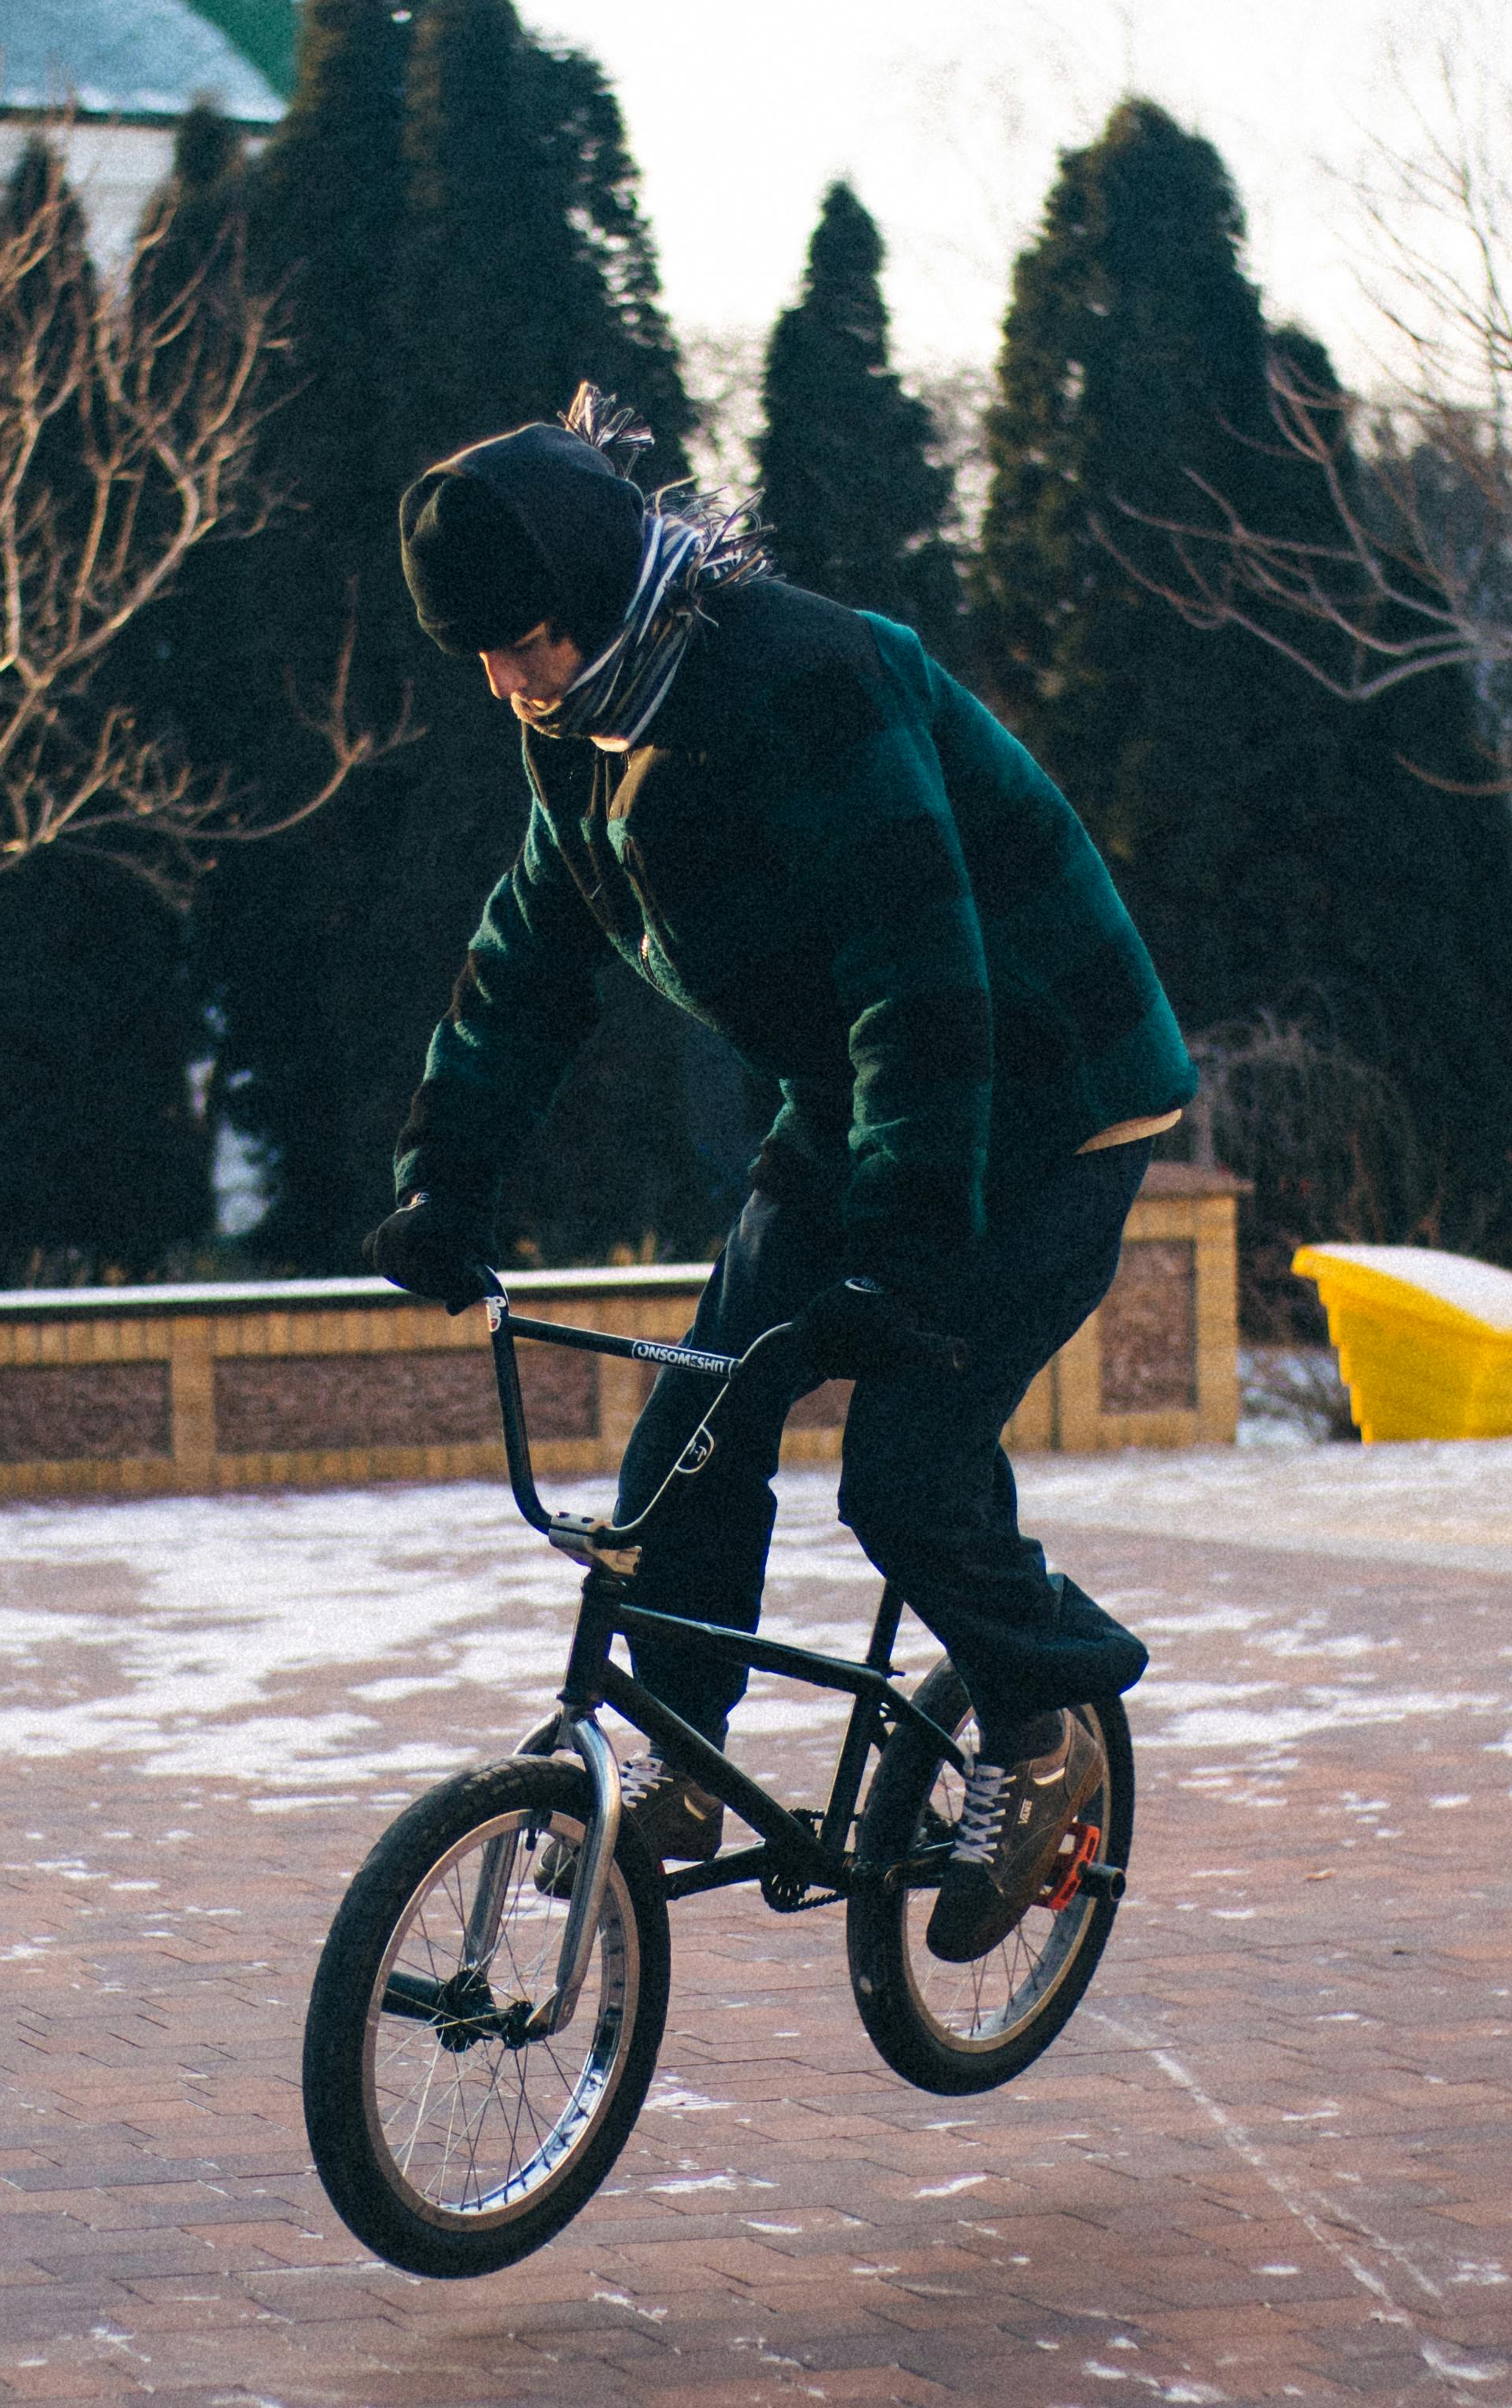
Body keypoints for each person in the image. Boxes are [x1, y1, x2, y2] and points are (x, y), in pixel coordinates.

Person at [361, 386, 1196, 1964]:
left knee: (902, 1471)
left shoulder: (809, 680)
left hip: (1044, 1094)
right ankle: (677, 1753)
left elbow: (920, 975)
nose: (503, 678)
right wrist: (444, 1182)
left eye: (523, 636)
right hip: (866, 1098)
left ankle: (1043, 1716)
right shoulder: (579, 721)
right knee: (690, 1429)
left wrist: (893, 1256)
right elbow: (530, 954)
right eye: (477, 651)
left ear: (595, 594)